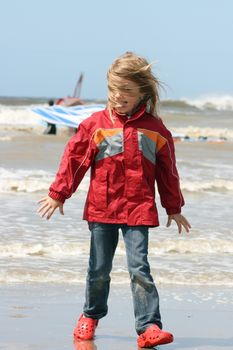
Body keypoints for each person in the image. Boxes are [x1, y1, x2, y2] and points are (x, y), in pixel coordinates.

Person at [37, 52, 191, 348]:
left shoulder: (155, 129)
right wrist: (59, 194)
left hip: (139, 208)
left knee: (139, 269)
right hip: (102, 208)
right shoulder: (96, 124)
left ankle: (149, 327)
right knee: (98, 270)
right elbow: (75, 160)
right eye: (113, 90)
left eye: (126, 91)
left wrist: (174, 207)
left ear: (142, 92)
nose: (118, 97)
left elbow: (168, 172)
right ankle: (90, 315)